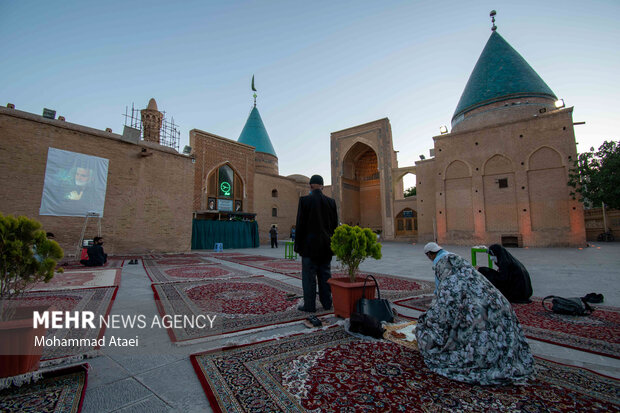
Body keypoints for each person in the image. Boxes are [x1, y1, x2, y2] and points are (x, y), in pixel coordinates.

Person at [415, 242, 534, 385]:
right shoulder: (476, 281)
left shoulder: (448, 278)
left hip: (480, 343)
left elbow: (442, 315)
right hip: (505, 327)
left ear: (430, 254)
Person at [294, 174, 338, 312]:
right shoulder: (331, 202)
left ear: (310, 185)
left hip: (309, 247)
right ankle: (326, 303)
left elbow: (300, 225)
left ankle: (310, 306)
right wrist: (333, 245)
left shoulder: (304, 201)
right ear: (322, 186)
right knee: (325, 276)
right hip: (326, 247)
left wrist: (298, 247)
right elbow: (334, 227)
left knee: (309, 278)